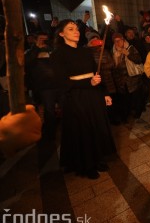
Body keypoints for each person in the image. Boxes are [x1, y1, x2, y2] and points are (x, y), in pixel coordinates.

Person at [50, 19, 116, 179]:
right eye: (70, 29)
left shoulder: (85, 51)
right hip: (76, 97)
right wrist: (88, 82)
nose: (76, 31)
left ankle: (98, 158)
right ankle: (86, 165)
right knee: (83, 130)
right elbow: (61, 81)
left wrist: (105, 93)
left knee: (96, 126)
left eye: (76, 29)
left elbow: (96, 73)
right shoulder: (58, 54)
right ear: (61, 33)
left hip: (93, 95)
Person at [25, 32, 60, 140]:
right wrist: (36, 48)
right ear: (36, 40)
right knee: (48, 110)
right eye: (41, 39)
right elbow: (27, 63)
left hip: (56, 84)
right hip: (44, 86)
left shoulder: (52, 50)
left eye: (45, 39)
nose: (43, 41)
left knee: (59, 109)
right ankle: (50, 134)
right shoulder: (31, 52)